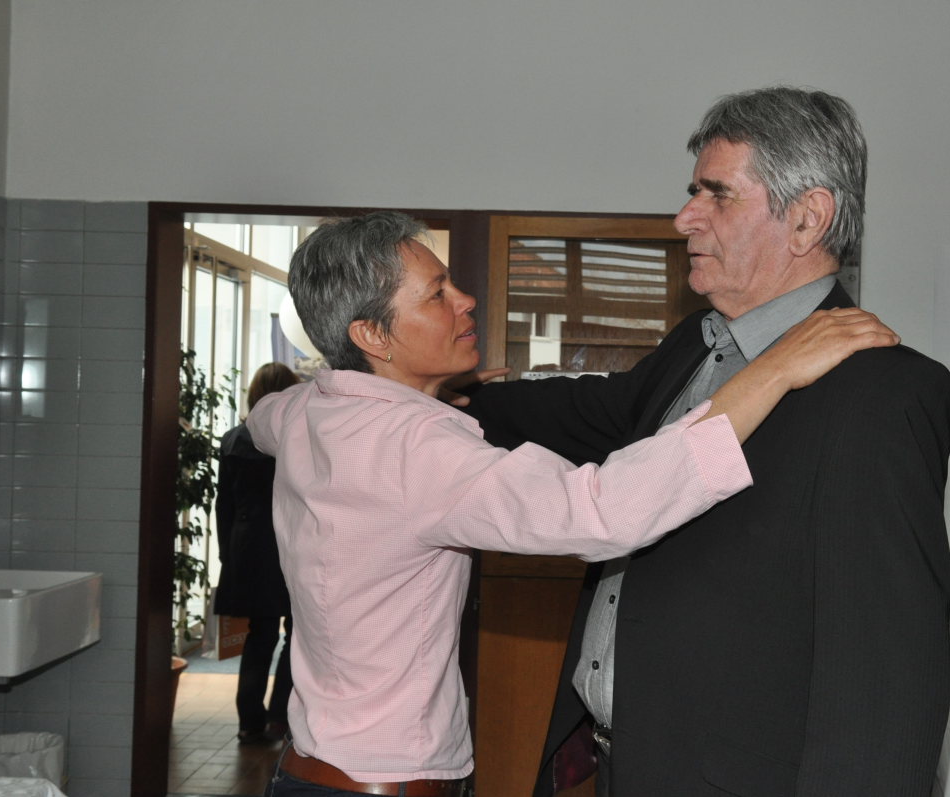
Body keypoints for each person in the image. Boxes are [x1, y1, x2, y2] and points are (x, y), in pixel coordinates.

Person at [245, 210, 898, 796]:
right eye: (437, 294)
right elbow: (601, 511)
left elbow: (261, 418)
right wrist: (772, 371)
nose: (465, 300)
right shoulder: (418, 451)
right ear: (372, 335)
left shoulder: (304, 412)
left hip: (307, 765)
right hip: (387, 780)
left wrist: (419, 392)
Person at [465, 86, 950, 796]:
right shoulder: (695, 347)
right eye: (693, 191)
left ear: (807, 218)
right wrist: (442, 397)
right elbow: (588, 412)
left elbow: (885, 673)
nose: (684, 217)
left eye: (716, 194)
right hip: (625, 766)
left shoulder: (880, 392)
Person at [214, 361, 301, 744]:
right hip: (289, 546)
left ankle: (249, 721)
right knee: (297, 634)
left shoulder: (233, 441)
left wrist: (227, 556)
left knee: (259, 634)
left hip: (247, 547)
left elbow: (224, 506)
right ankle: (281, 716)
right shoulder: (295, 440)